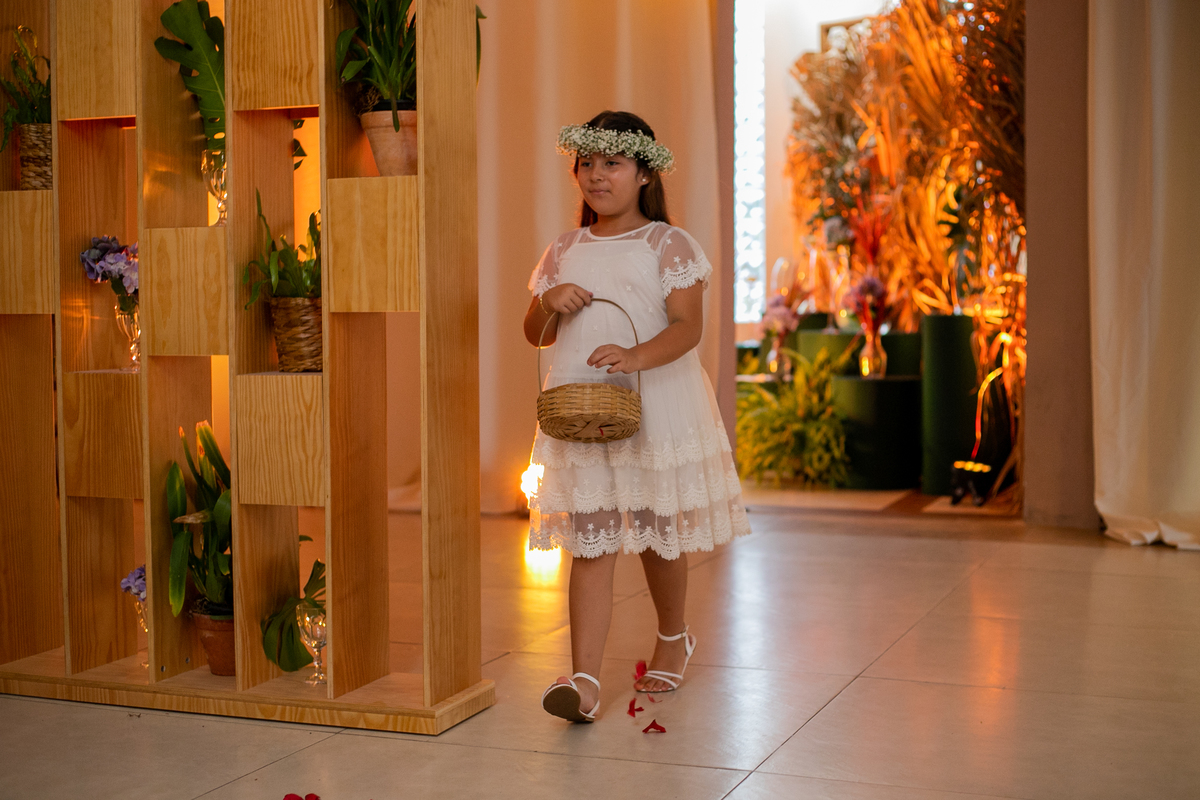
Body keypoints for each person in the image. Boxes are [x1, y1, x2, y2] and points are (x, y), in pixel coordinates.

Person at [524, 110, 750, 723]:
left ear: (645, 174)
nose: (596, 175)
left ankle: (674, 636)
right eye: (587, 163)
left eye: (613, 163)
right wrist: (548, 301)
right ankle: (584, 682)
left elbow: (687, 328)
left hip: (655, 405)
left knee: (657, 533)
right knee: (590, 540)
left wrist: (634, 355)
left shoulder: (667, 244)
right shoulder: (565, 249)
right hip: (583, 411)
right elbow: (536, 333)